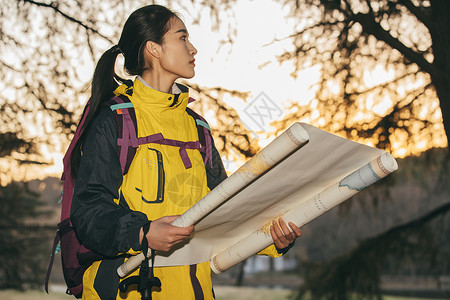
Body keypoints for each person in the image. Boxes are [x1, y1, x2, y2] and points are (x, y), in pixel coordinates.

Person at [70, 4, 302, 300]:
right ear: (153, 48)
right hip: (124, 292)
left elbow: (225, 207)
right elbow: (88, 210)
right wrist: (142, 232)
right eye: (182, 38)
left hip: (195, 291)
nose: (193, 49)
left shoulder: (198, 127)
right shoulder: (114, 120)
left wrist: (273, 237)